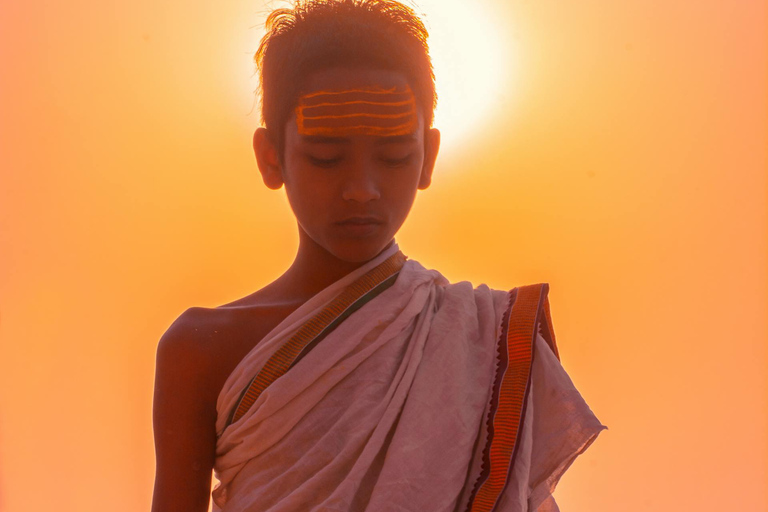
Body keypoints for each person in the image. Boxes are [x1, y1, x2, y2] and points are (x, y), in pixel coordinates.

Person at [151, 1, 605, 511]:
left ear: (428, 158)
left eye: (393, 156)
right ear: (270, 156)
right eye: (327, 157)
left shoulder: (493, 340)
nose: (362, 190)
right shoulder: (201, 350)